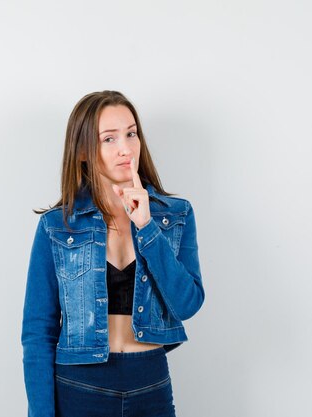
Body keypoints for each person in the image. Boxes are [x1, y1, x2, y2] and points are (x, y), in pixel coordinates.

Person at [21, 90, 205, 417]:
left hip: (150, 384)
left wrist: (147, 227)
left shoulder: (175, 216)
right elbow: (38, 332)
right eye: (109, 139)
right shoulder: (57, 226)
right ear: (82, 151)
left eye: (131, 134)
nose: (125, 148)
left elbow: (187, 303)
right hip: (80, 386)